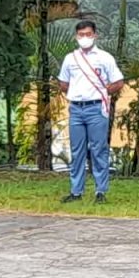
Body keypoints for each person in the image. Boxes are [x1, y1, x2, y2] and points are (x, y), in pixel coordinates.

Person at [57, 20, 124, 204]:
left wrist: (102, 93)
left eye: (88, 34)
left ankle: (100, 191)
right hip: (76, 108)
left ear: (95, 35)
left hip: (97, 108)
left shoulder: (104, 58)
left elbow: (118, 82)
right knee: (77, 151)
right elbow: (63, 83)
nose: (84, 38)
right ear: (76, 36)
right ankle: (76, 191)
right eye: (81, 35)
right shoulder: (70, 58)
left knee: (98, 150)